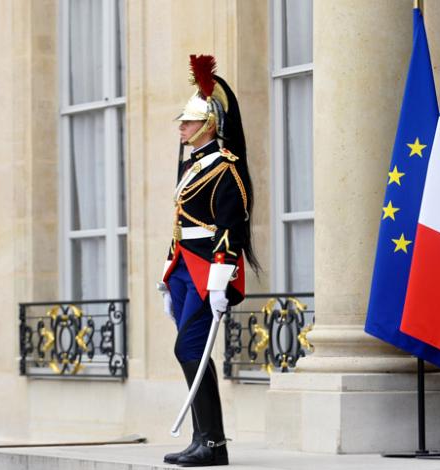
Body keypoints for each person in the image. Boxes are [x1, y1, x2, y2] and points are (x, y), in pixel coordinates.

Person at [158, 54, 259, 467]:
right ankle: (206, 440)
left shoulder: (226, 169)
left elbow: (230, 228)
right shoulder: (194, 166)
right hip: (185, 269)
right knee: (190, 352)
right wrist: (168, 273)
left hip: (206, 272)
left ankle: (213, 443)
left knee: (189, 347)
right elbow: (182, 222)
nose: (181, 127)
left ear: (210, 125)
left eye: (189, 121)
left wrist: (220, 280)